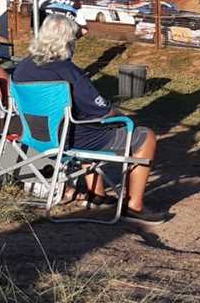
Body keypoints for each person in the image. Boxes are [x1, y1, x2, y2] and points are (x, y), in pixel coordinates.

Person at [13, 14, 166, 224]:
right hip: (71, 138)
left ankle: (97, 195)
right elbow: (100, 110)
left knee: (86, 126)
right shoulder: (67, 71)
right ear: (68, 41)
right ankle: (134, 206)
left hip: (37, 137)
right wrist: (120, 115)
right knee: (145, 136)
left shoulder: (22, 68)